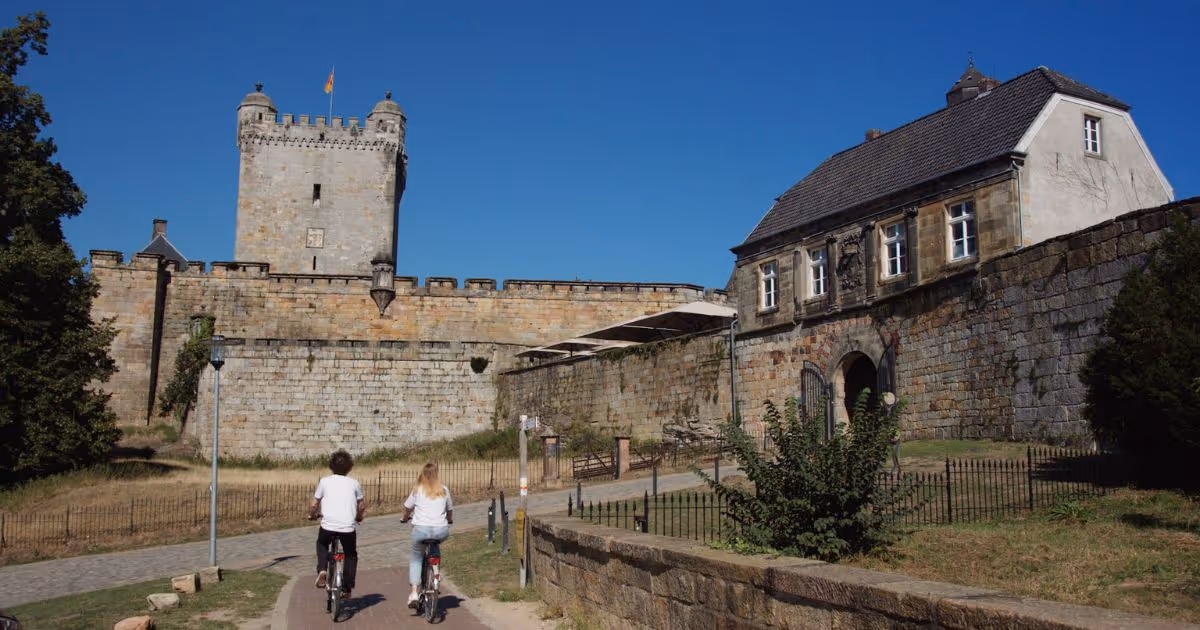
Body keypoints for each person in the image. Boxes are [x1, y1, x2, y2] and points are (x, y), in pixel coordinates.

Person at [308, 449, 365, 600]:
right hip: (347, 527)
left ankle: (322, 570)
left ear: (331, 466)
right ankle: (346, 587)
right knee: (351, 555)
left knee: (321, 544)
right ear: (350, 468)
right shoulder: (354, 483)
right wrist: (359, 517)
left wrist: (312, 514)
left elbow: (314, 503)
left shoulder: (324, 481)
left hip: (328, 526)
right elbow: (361, 506)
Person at [401, 462, 453, 609]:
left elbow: (407, 507)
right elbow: (450, 510)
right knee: (435, 547)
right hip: (441, 530)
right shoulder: (444, 489)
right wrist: (449, 520)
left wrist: (405, 518)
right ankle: (435, 571)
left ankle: (414, 593)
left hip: (421, 530)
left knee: (416, 558)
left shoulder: (418, 490)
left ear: (423, 474)